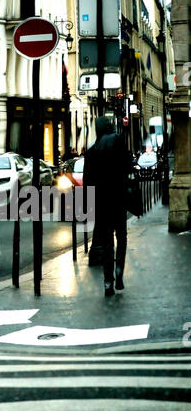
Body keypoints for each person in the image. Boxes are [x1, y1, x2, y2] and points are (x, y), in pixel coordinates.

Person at [83, 116, 133, 297]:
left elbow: (87, 183)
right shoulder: (118, 141)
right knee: (122, 236)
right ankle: (119, 271)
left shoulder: (91, 153)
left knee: (106, 242)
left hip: (101, 203)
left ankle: (107, 282)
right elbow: (129, 166)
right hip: (118, 199)